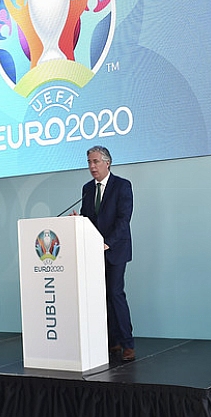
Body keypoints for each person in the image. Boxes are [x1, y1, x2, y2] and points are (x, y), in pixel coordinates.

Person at [79, 145, 135, 361]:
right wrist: (78, 221)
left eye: (95, 162)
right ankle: (112, 342)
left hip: (115, 250)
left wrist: (107, 243)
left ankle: (127, 343)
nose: (92, 167)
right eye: (89, 163)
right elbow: (87, 217)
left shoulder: (122, 186)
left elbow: (124, 219)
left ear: (107, 162)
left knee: (115, 293)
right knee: (100, 297)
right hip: (93, 252)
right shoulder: (87, 189)